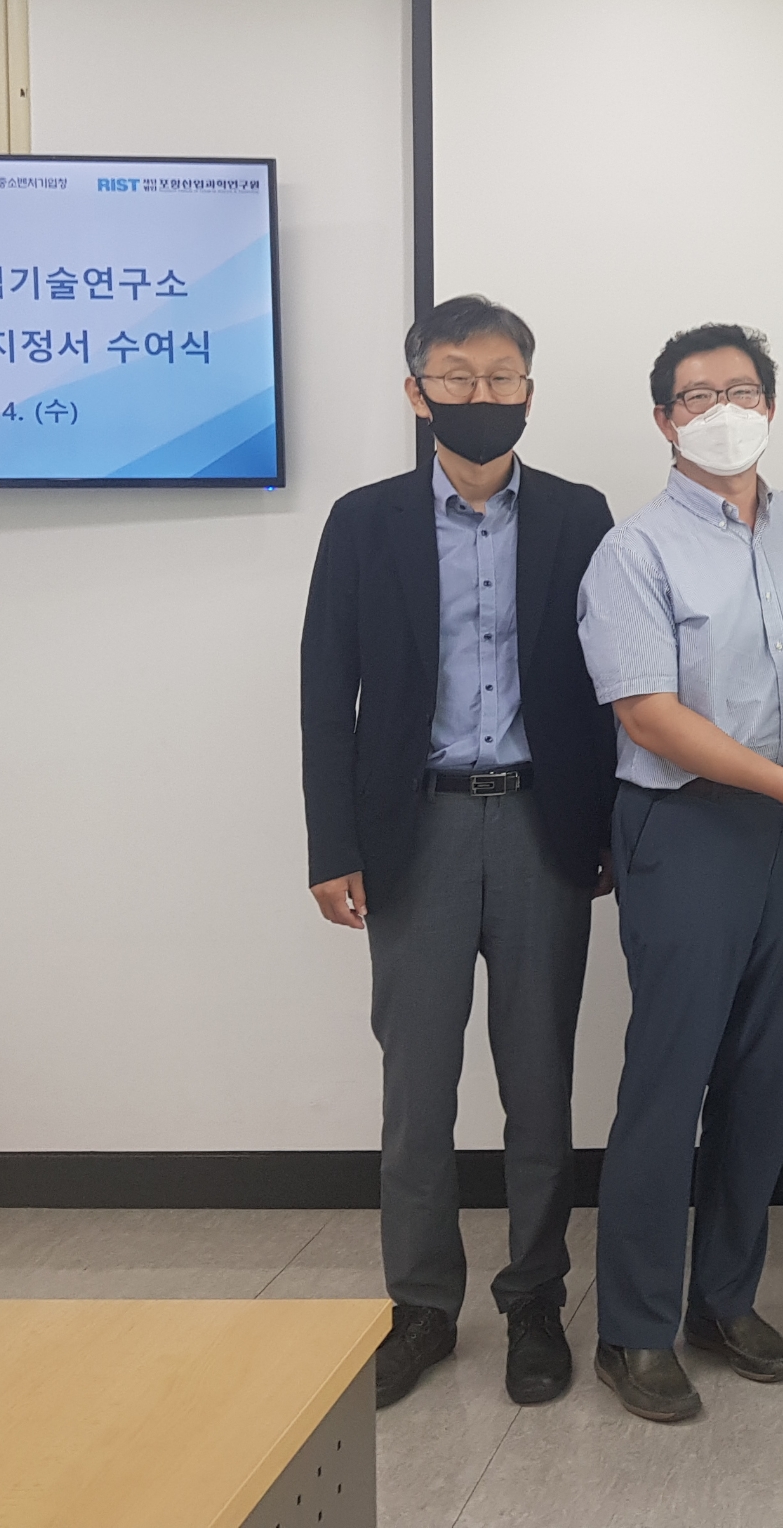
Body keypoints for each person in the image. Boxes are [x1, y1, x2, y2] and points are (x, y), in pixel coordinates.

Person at [299, 294, 618, 1409]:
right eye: (456, 377)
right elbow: (325, 692)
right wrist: (332, 843)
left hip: (541, 825)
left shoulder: (580, 515)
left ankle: (534, 1302)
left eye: (501, 378)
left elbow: (610, 685)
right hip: (414, 831)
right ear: (417, 391)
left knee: (539, 1086)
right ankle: (422, 1306)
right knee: (417, 1089)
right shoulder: (364, 521)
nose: (481, 395)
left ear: (529, 389)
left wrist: (606, 829)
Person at [576, 322, 783, 1424]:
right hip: (688, 826)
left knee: (764, 1078)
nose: (722, 412)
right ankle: (634, 1327)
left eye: (741, 392)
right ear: (664, 419)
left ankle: (724, 1300)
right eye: (697, 397)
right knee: (671, 1081)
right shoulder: (633, 551)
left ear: (771, 408)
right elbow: (649, 716)